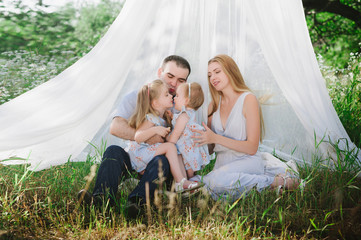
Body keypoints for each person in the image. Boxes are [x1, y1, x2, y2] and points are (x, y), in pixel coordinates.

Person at [77, 55, 191, 217]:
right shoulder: (139, 96)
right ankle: (101, 200)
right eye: (170, 76)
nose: (174, 84)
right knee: (113, 150)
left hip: (159, 164)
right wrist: (147, 137)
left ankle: (137, 203)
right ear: (160, 72)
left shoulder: (181, 106)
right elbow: (116, 127)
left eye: (181, 80)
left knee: (161, 161)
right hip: (136, 155)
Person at [193, 54, 301, 201]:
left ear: (230, 71)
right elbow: (211, 148)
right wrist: (201, 139)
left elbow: (252, 147)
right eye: (209, 75)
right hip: (223, 165)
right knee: (213, 182)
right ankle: (267, 189)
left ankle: (278, 182)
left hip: (247, 160)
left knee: (212, 182)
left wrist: (216, 138)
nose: (212, 78)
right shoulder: (213, 105)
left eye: (217, 72)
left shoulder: (248, 99)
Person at [127, 79, 202, 192]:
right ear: (156, 103)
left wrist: (171, 120)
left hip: (149, 154)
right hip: (139, 154)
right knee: (171, 147)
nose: (171, 96)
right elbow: (138, 137)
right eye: (166, 95)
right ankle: (180, 182)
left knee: (178, 151)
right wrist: (155, 130)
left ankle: (184, 182)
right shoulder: (150, 118)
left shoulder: (162, 119)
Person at [167, 82, 210, 179]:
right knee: (189, 170)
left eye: (177, 96)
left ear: (186, 101)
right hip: (190, 148)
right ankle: (192, 181)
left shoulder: (183, 115)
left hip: (185, 149)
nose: (174, 98)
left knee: (187, 170)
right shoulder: (189, 113)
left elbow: (176, 133)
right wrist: (172, 116)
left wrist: (168, 142)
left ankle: (190, 182)